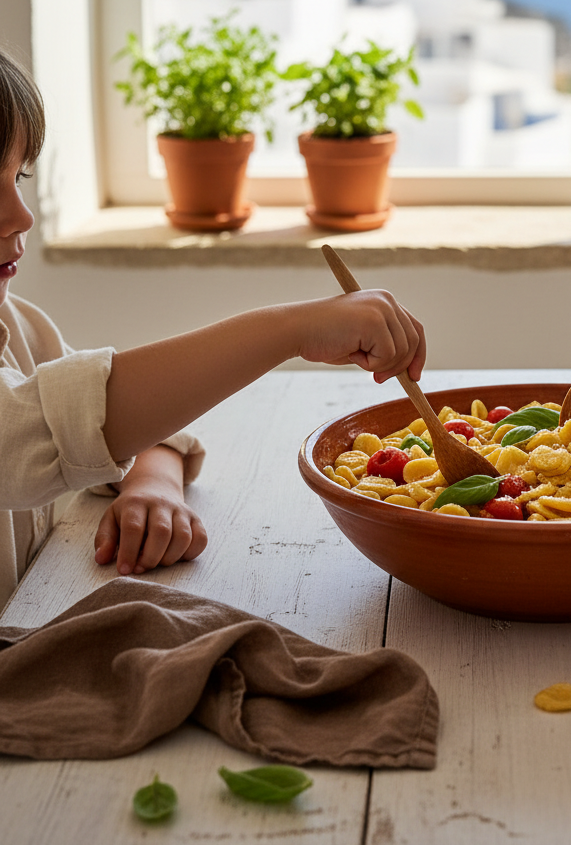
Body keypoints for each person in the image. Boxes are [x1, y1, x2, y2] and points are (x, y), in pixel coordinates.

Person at [0, 47, 425, 607]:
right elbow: (42, 432)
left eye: (20, 175)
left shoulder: (19, 326)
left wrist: (152, 483)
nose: (21, 215)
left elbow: (127, 417)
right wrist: (291, 329)